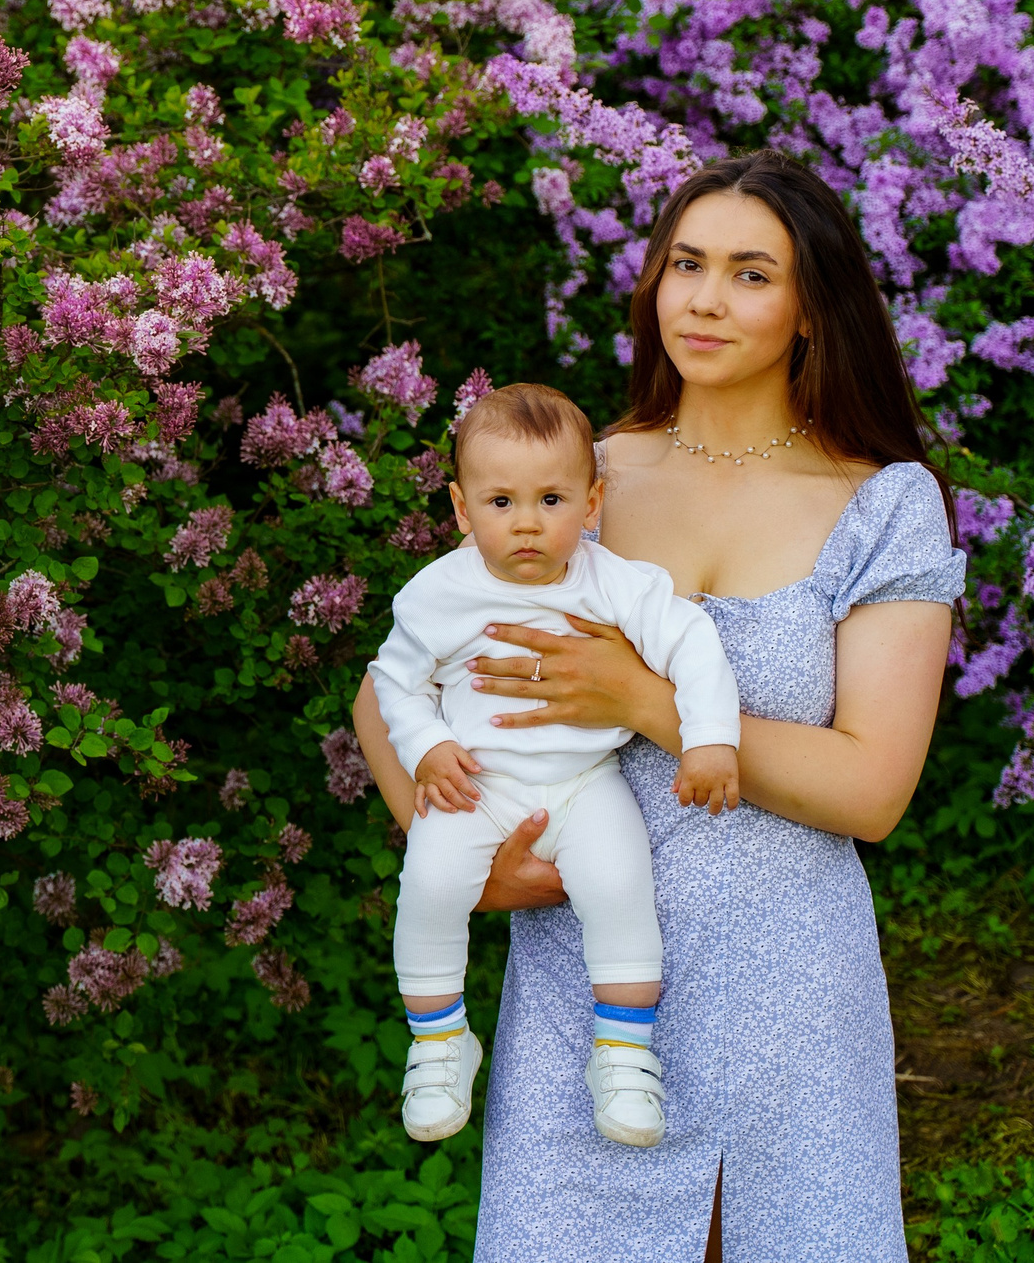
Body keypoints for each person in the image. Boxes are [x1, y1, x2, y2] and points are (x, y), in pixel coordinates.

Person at [351, 150, 964, 1261]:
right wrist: (447, 842)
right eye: (685, 264)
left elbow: (873, 791)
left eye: (748, 273)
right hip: (585, 980)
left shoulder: (882, 505)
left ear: (812, 309)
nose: (703, 299)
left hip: (789, 988)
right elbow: (389, 679)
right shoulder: (583, 480)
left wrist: (641, 698)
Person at [371, 382, 741, 1148]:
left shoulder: (611, 579)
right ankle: (439, 1040)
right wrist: (427, 748)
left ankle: (625, 1055)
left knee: (618, 883)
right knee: (432, 880)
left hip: (585, 782)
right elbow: (393, 682)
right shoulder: (437, 591)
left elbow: (692, 641)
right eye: (501, 502)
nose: (529, 523)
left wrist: (709, 738)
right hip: (478, 781)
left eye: (552, 498)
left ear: (592, 501)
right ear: (462, 509)